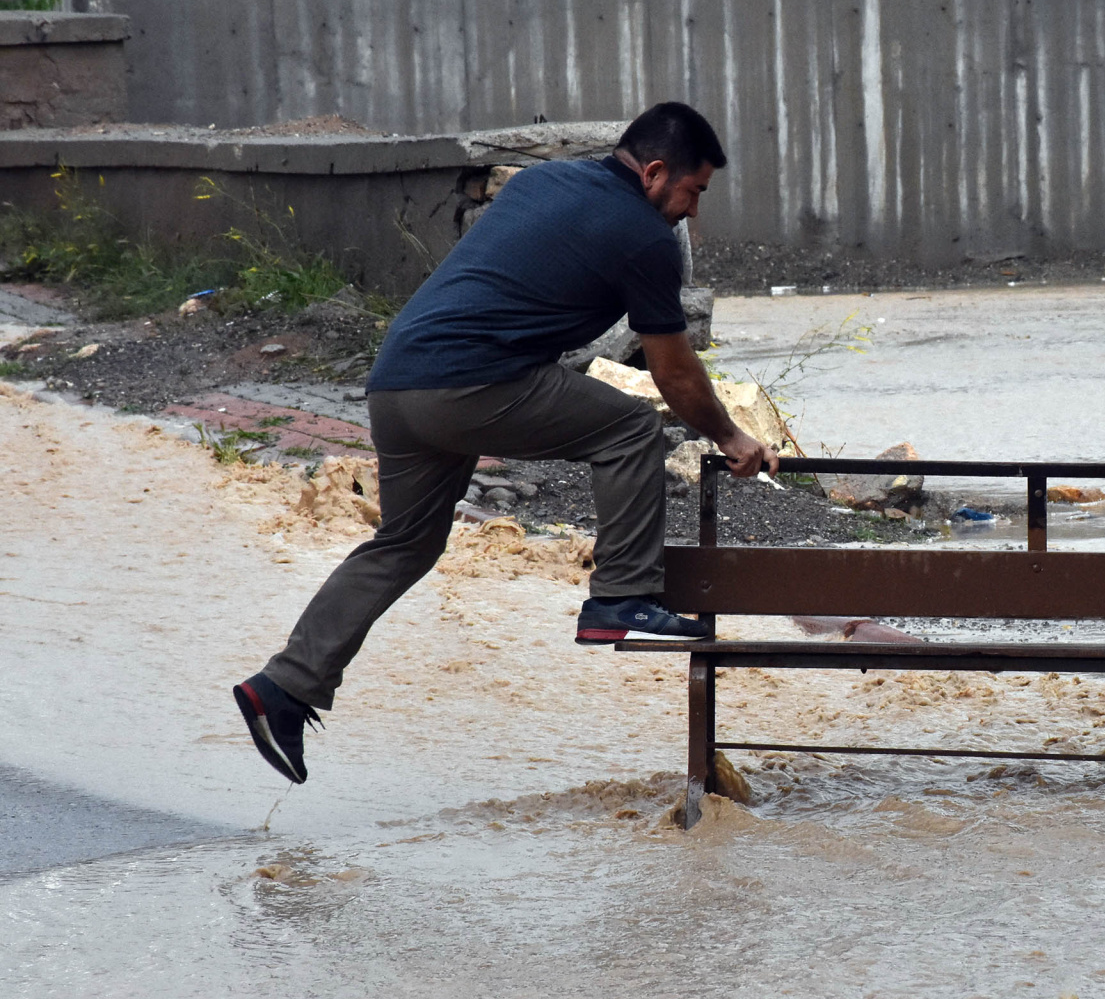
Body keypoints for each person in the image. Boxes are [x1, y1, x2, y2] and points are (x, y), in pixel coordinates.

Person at [233, 101, 778, 785]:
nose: (691, 213)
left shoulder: (543, 182)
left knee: (404, 544)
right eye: (693, 193)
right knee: (632, 429)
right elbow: (671, 370)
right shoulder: (644, 235)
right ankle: (618, 596)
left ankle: (283, 687)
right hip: (470, 385)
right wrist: (730, 435)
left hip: (396, 384)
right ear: (657, 172)